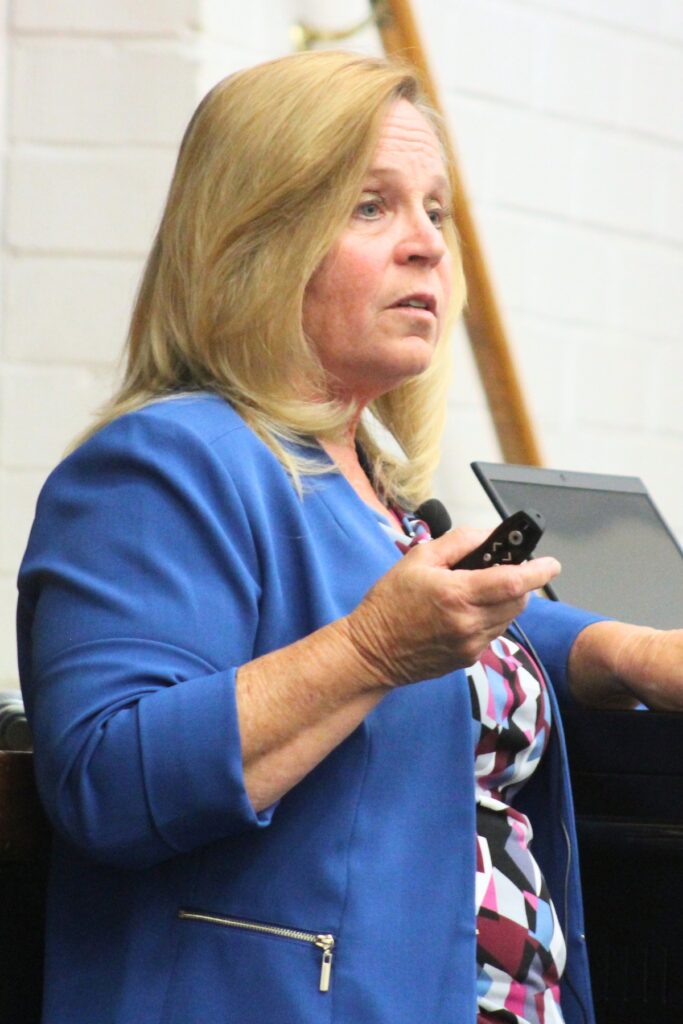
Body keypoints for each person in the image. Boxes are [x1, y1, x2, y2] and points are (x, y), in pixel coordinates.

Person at [16, 51, 683, 1024]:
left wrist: (621, 651)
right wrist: (367, 652)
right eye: (369, 206)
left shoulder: (373, 487)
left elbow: (451, 632)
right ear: (249, 240)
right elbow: (106, 781)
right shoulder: (161, 464)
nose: (425, 247)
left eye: (434, 211)